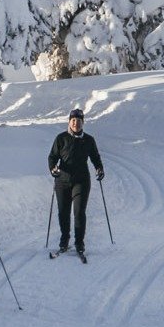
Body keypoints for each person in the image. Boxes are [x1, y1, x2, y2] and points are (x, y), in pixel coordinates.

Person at [48, 108, 104, 255]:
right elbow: (52, 157)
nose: (75, 123)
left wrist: (99, 168)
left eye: (78, 121)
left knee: (79, 212)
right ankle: (64, 241)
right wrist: (53, 168)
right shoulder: (61, 138)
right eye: (73, 120)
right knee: (63, 213)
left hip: (81, 181)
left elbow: (95, 158)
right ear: (69, 121)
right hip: (62, 180)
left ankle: (79, 243)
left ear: (83, 123)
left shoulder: (89, 140)